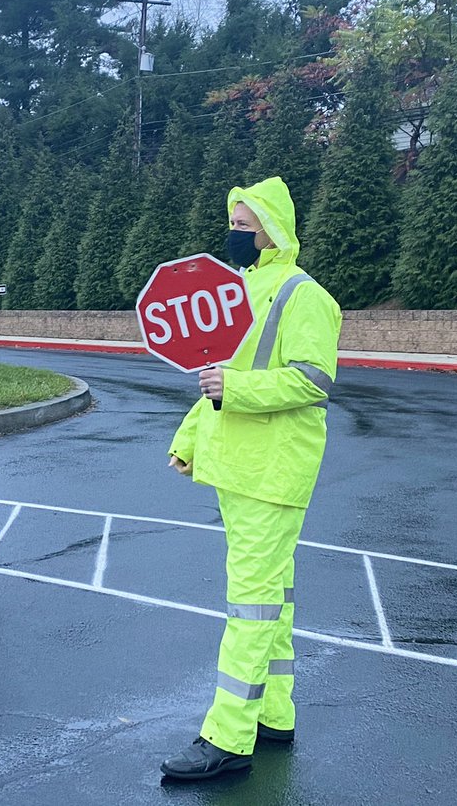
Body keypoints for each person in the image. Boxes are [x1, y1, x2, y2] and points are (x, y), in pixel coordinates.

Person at [160, 177, 342, 782]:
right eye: (233, 223)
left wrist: (231, 390)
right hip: (242, 469)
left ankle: (228, 737)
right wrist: (189, 440)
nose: (234, 233)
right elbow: (217, 377)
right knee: (274, 602)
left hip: (273, 473)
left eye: (244, 225)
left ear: (272, 228)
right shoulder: (240, 289)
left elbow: (313, 380)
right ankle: (273, 716)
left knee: (250, 604)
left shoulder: (303, 295)